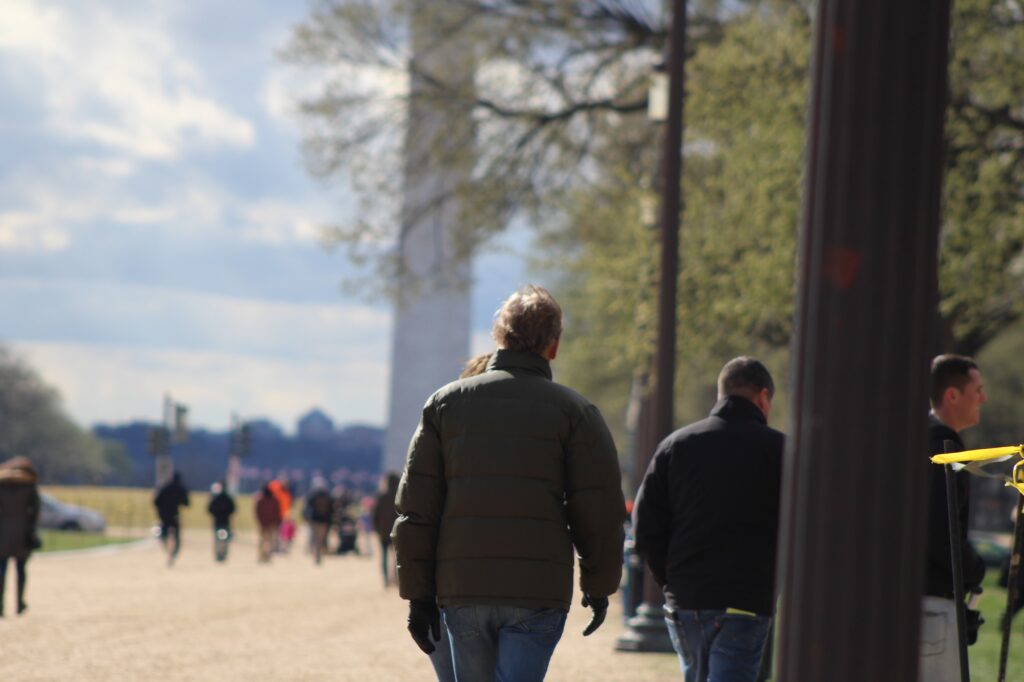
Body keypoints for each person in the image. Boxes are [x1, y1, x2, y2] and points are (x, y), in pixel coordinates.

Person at [393, 284, 625, 681]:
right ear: (553, 346)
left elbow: (418, 509)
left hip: (462, 584)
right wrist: (598, 584)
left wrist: (418, 596)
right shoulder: (577, 413)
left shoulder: (445, 404)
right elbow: (598, 511)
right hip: (538, 588)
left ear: (498, 336)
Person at [632, 357, 784, 682]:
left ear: (721, 393)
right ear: (762, 397)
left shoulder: (675, 445)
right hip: (746, 601)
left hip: (686, 600)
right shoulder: (780, 450)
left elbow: (645, 527)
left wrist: (669, 580)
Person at [919, 354, 988, 681]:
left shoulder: (914, 443)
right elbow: (938, 531)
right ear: (952, 395)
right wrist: (975, 568)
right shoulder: (941, 450)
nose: (983, 399)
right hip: (931, 607)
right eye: (978, 390)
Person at [0, 456, 40, 617]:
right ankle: (19, 604)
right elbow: (35, 511)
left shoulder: (1, 485)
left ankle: (0, 606)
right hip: (23, 534)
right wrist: (31, 530)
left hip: (2, 533)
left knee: (1, 570)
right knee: (21, 570)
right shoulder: (29, 486)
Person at [154, 471, 190, 567]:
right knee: (176, 536)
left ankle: (167, 549)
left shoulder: (164, 488)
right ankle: (173, 553)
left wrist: (160, 511)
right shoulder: (180, 489)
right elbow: (187, 503)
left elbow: (156, 501)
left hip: (164, 516)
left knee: (164, 534)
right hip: (174, 516)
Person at [373, 472, 400, 587]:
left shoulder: (381, 497)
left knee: (384, 557)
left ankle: (386, 580)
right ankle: (396, 578)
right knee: (397, 558)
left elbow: (375, 516)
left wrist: (377, 529)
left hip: (383, 531)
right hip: (398, 531)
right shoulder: (401, 496)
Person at [304, 478, 335, 565]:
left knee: (315, 538)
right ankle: (319, 555)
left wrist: (307, 518)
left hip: (315, 520)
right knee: (321, 539)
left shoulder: (312, 496)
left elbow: (307, 509)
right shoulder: (328, 496)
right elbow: (332, 510)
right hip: (324, 521)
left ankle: (317, 555)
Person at [207, 481, 236, 563]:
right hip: (225, 523)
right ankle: (223, 554)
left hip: (218, 522)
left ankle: (218, 554)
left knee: (218, 540)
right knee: (224, 539)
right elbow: (233, 511)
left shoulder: (216, 499)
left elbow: (210, 510)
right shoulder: (228, 499)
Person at [255, 483, 282, 563]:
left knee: (263, 540)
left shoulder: (260, 500)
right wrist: (277, 522)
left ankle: (262, 555)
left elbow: (257, 512)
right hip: (272, 523)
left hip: (263, 523)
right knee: (270, 541)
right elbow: (277, 512)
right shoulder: (274, 500)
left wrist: (259, 521)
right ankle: (268, 556)